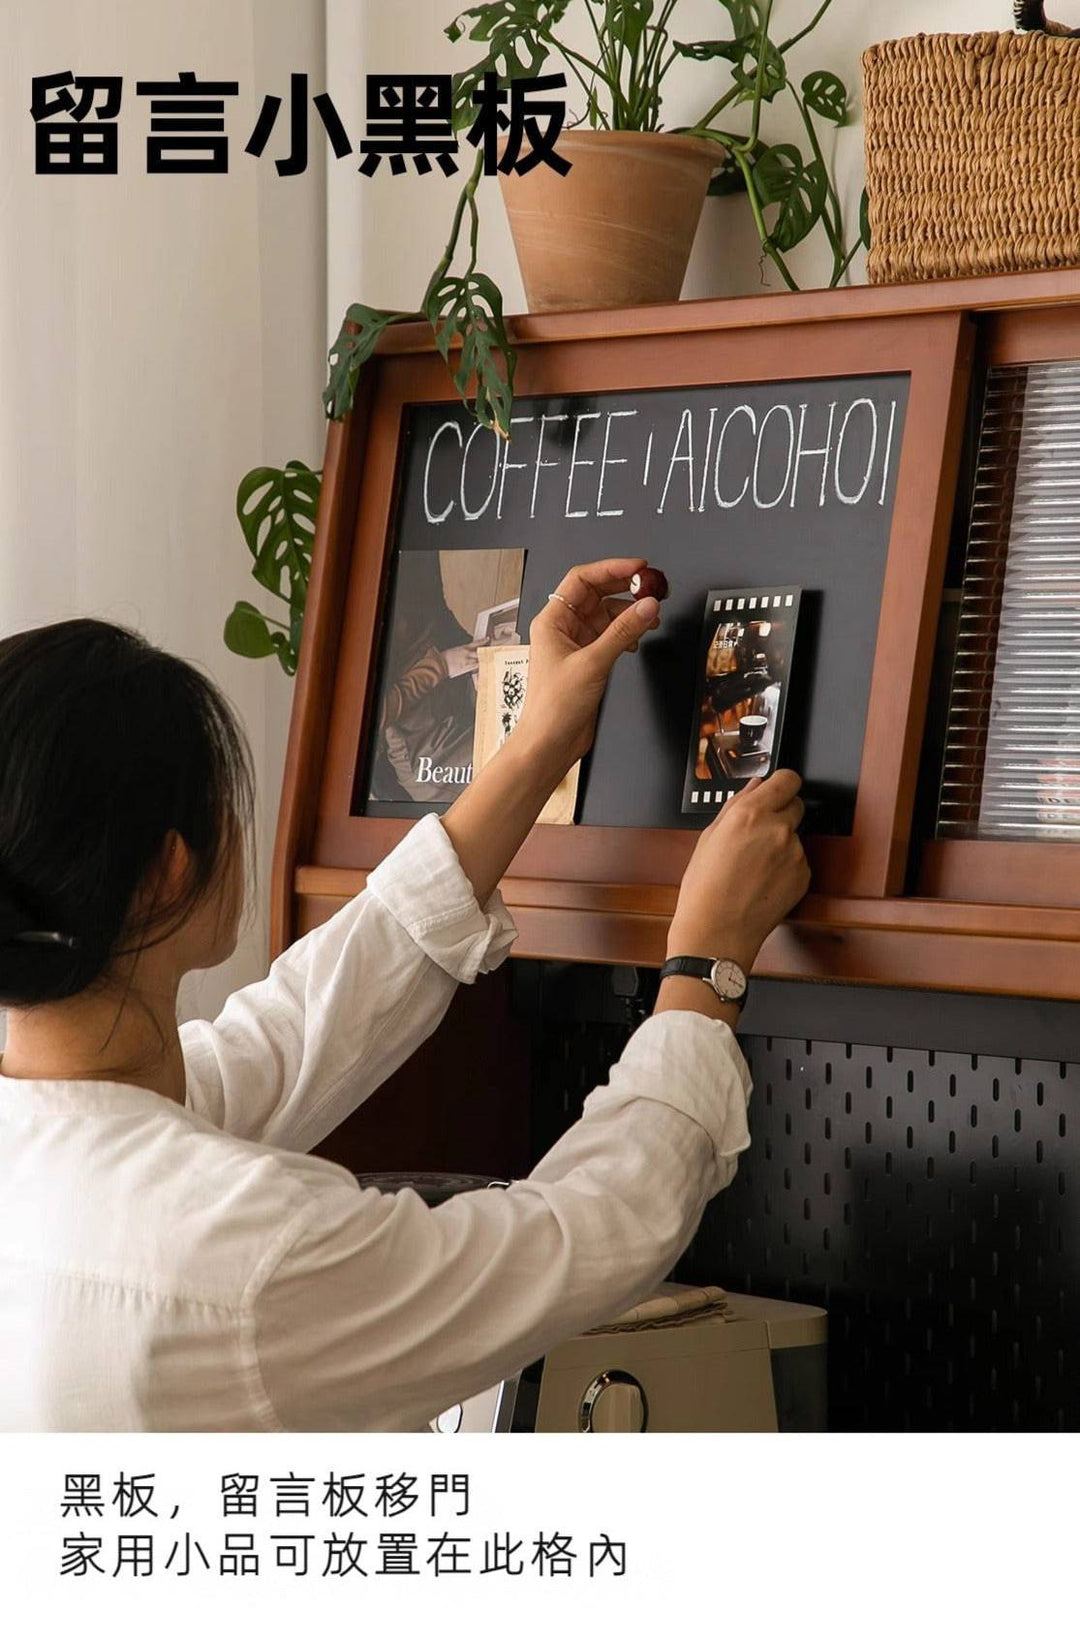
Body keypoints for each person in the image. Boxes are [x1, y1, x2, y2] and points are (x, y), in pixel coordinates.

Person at [0, 558, 809, 1432]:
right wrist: (705, 969)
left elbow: (299, 1027)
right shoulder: (246, 1249)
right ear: (170, 871)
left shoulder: (67, 1133)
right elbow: (586, 1233)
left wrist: (535, 745)